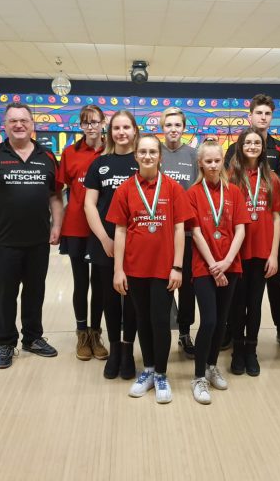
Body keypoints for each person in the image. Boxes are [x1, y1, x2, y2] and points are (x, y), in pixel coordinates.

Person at [0, 102, 63, 369]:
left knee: (35, 293)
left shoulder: (47, 157)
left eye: (24, 120)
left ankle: (33, 338)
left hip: (38, 241)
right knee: (5, 294)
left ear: (33, 125)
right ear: (5, 125)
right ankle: (6, 344)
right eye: (13, 121)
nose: (19, 125)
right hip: (3, 242)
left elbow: (56, 195)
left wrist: (57, 225)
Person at [107, 135, 193, 404]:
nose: (147, 156)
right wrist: (118, 270)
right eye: (142, 152)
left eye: (152, 152)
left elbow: (180, 228)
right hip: (135, 268)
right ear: (136, 156)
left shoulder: (172, 188)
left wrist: (177, 266)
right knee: (142, 320)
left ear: (160, 156)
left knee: (159, 321)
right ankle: (148, 370)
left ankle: (162, 374)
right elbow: (120, 231)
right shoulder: (125, 189)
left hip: (164, 268)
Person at [224, 94, 280, 352]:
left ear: (271, 117)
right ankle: (230, 332)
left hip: (266, 230)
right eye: (259, 113)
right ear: (250, 116)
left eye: (267, 114)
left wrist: (267, 190)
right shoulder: (234, 150)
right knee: (237, 285)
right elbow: (227, 187)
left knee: (275, 281)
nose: (263, 118)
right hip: (240, 233)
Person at [186, 139, 248, 404]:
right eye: (208, 161)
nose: (213, 165)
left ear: (223, 161)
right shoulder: (192, 193)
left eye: (216, 160)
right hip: (204, 267)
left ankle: (212, 366)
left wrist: (226, 262)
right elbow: (196, 232)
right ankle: (199, 376)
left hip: (230, 266)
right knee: (209, 321)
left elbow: (241, 230)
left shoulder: (233, 192)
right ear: (200, 163)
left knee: (222, 322)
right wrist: (214, 265)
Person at [83, 110, 140, 380]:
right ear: (110, 131)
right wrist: (105, 239)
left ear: (134, 130)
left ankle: (128, 350)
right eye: (116, 127)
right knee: (109, 300)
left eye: (126, 127)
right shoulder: (99, 164)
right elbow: (89, 205)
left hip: (137, 244)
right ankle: (115, 349)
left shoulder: (144, 161)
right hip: (103, 242)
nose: (121, 132)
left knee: (131, 300)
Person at [227, 128, 280, 377]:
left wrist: (273, 255)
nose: (252, 146)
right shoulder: (231, 177)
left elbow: (276, 218)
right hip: (238, 252)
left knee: (254, 302)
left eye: (256, 143)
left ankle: (251, 350)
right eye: (247, 142)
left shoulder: (270, 178)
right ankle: (237, 349)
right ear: (240, 147)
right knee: (237, 303)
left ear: (263, 148)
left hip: (261, 252)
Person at [58, 105, 107, 362]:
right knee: (81, 282)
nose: (90, 126)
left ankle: (96, 333)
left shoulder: (110, 152)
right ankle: (81, 333)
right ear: (80, 125)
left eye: (95, 121)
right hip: (76, 226)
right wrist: (55, 224)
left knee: (99, 283)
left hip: (101, 228)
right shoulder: (70, 153)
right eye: (86, 122)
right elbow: (58, 189)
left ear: (102, 123)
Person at [159, 107, 198, 359]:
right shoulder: (154, 152)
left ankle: (184, 332)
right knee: (162, 287)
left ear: (183, 128)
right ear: (162, 128)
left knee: (187, 288)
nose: (173, 129)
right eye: (168, 125)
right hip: (160, 236)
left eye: (177, 125)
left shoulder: (194, 155)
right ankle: (160, 331)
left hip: (186, 234)